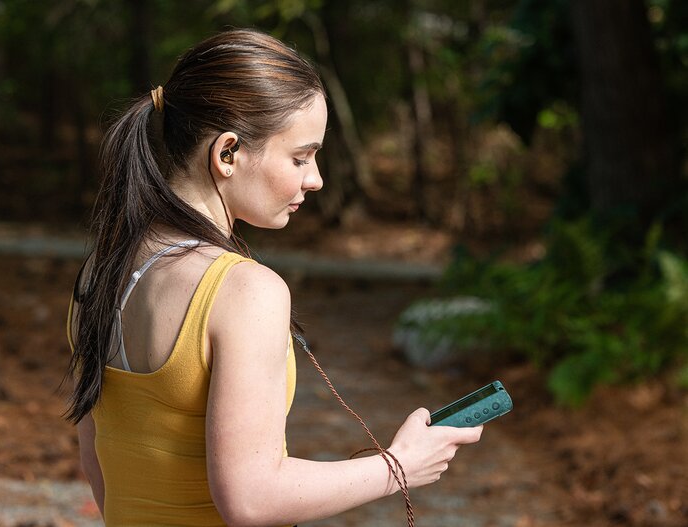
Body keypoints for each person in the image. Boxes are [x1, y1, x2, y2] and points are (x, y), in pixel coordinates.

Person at [65, 28, 482, 526]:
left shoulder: (103, 270)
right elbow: (251, 499)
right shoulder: (245, 291)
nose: (315, 178)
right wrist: (401, 465)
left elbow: (98, 462)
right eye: (300, 157)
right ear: (227, 154)